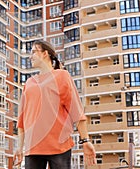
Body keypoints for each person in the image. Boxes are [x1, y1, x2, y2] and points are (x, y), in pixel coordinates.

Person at [13, 40, 96, 169]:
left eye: (34, 52)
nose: (30, 56)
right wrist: (19, 147)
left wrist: (85, 140)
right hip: (32, 148)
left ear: (45, 53)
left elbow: (76, 111)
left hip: (59, 146)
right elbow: (22, 120)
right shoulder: (29, 83)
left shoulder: (62, 76)